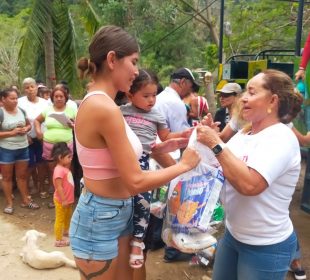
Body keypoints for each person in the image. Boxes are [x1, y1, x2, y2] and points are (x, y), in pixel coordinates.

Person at [68, 25, 200, 280]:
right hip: (102, 216)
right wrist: (184, 165)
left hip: (117, 210)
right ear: (111, 60)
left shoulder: (105, 104)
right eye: (133, 61)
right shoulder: (103, 107)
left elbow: (113, 160)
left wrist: (159, 149)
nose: (137, 71)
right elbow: (135, 180)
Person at [197, 69, 301, 280]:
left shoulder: (281, 138)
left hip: (265, 246)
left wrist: (215, 144)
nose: (243, 98)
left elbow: (250, 185)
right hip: (233, 235)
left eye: (252, 93)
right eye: (246, 92)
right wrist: (208, 143)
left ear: (273, 100)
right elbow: (222, 165)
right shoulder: (245, 133)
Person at [120, 69, 192, 270]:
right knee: (124, 201)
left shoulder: (156, 114)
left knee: (144, 203)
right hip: (123, 161)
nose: (151, 100)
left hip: (143, 162)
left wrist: (184, 134)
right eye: (146, 95)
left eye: (154, 95)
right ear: (130, 94)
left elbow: (166, 136)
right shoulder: (121, 112)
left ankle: (138, 242)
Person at [0, 88, 40, 214]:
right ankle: (9, 203)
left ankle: (26, 200)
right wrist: (11, 133)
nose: (15, 101)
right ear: (3, 99)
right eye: (12, 98)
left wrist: (26, 129)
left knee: (22, 176)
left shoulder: (21, 111)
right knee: (7, 177)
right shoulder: (1, 113)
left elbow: (29, 124)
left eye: (16, 98)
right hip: (6, 150)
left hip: (23, 148)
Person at [34, 84, 76, 199]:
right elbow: (37, 121)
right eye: (56, 96)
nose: (58, 98)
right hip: (49, 145)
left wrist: (73, 126)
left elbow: (80, 126)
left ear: (65, 97)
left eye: (61, 96)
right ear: (52, 97)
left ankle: (67, 195)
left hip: (66, 145)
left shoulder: (72, 110)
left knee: (66, 171)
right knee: (53, 170)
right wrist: (38, 132)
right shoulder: (47, 110)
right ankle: (57, 196)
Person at [18, 78, 49, 197]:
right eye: (27, 87)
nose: (30, 90)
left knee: (41, 164)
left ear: (36, 87)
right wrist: (26, 136)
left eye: (32, 86)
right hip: (27, 139)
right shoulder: (20, 102)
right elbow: (19, 120)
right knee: (29, 165)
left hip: (42, 138)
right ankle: (32, 186)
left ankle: (41, 187)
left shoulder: (45, 102)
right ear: (23, 89)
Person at [51, 142, 74, 247]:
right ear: (60, 158)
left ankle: (65, 231)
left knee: (67, 216)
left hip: (68, 200)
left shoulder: (64, 168)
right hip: (61, 200)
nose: (71, 159)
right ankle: (58, 240)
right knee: (60, 218)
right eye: (69, 157)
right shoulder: (59, 171)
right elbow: (59, 187)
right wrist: (64, 200)